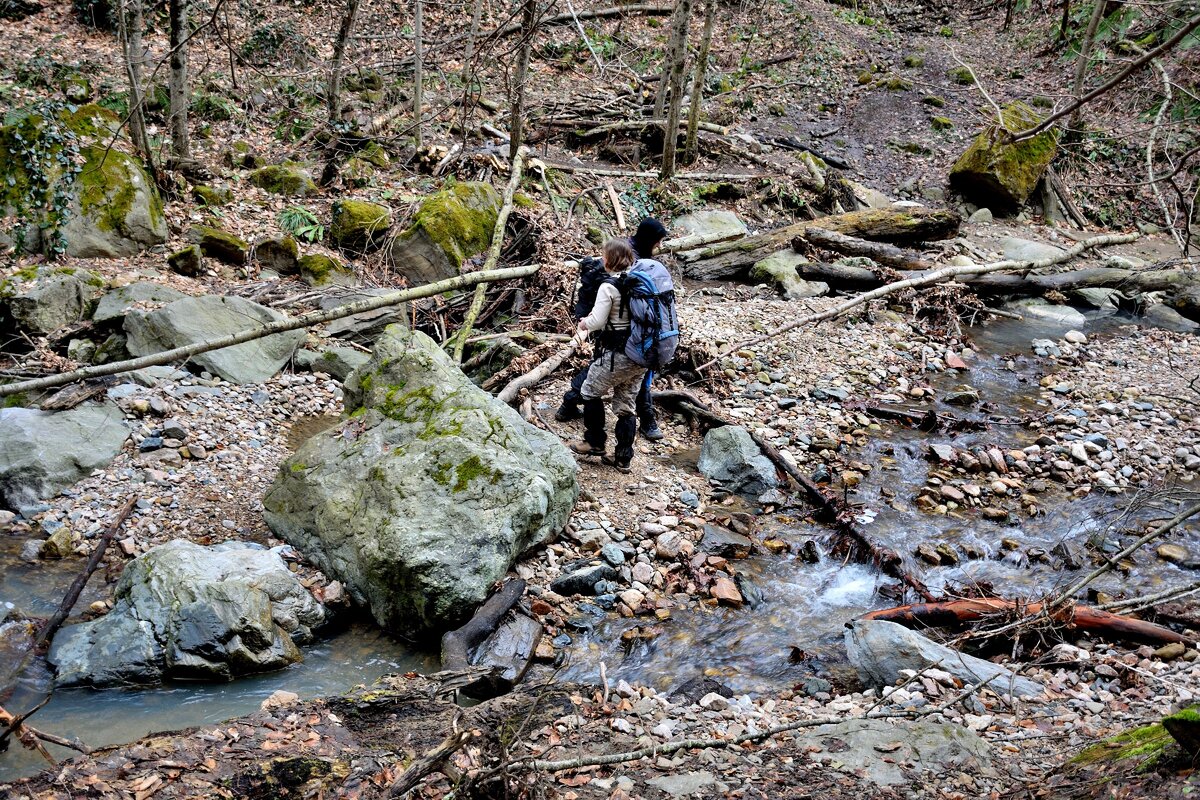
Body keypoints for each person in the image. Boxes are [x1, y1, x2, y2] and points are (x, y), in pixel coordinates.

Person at [556, 217, 669, 440]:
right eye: (657, 241)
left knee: (621, 369)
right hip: (609, 324)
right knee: (605, 370)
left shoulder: (637, 255)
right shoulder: (622, 255)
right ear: (649, 238)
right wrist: (587, 321)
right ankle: (645, 420)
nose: (659, 246)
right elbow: (600, 290)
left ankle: (571, 405)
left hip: (626, 328)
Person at [569, 238, 647, 473]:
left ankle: (594, 442)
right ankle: (623, 458)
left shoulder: (608, 286)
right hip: (641, 353)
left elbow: (598, 320)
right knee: (626, 406)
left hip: (617, 354)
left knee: (589, 392)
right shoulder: (638, 282)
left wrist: (584, 324)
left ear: (608, 259)